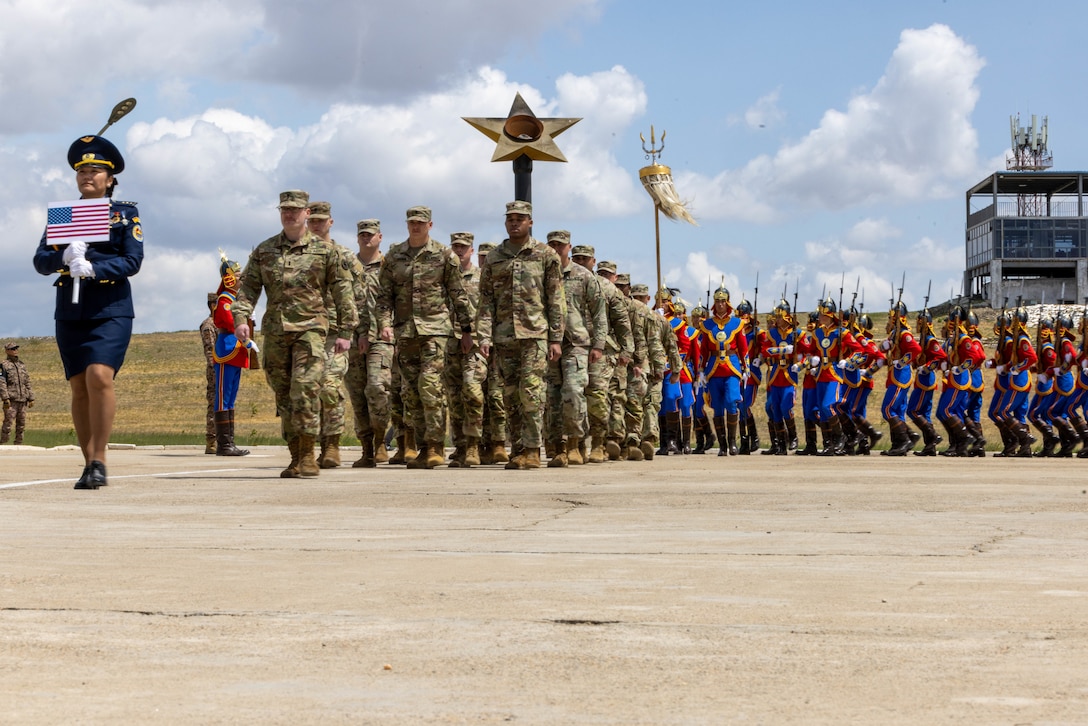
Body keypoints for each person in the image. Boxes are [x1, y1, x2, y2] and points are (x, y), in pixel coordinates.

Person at [33, 134, 144, 490]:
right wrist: (62, 256)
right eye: (82, 170)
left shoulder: (124, 213)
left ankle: (100, 459)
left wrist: (96, 268)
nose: (88, 176)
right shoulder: (64, 214)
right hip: (71, 310)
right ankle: (88, 463)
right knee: (79, 386)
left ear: (110, 178)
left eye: (96, 170)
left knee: (99, 375)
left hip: (110, 307)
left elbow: (132, 260)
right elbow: (40, 260)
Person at [231, 190, 358, 478]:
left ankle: (309, 455)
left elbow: (343, 291)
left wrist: (346, 330)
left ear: (306, 214)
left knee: (306, 389)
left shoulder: (326, 251)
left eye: (295, 210)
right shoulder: (265, 251)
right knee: (285, 397)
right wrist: (241, 317)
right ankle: (295, 456)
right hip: (276, 333)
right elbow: (248, 288)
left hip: (311, 331)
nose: (289, 214)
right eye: (284, 209)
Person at [376, 206, 474, 470]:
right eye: (412, 223)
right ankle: (422, 446)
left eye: (420, 223)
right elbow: (384, 297)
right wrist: (385, 325)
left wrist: (467, 330)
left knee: (429, 386)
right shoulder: (394, 256)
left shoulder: (444, 255)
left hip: (435, 331)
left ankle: (435, 446)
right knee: (411, 393)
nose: (415, 227)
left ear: (430, 225)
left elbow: (458, 293)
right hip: (405, 332)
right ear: (407, 225)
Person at [476, 200, 565, 470]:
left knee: (531, 392)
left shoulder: (545, 255)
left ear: (530, 222)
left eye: (520, 218)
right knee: (511, 396)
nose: (514, 222)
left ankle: (533, 449)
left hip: (535, 335)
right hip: (504, 338)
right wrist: (484, 336)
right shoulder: (494, 257)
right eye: (510, 218)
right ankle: (518, 449)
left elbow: (555, 299)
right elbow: (486, 300)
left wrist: (555, 338)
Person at [544, 230, 606, 467]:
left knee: (572, 392)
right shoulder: (542, 273)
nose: (556, 249)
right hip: (548, 343)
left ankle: (575, 443)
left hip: (576, 344)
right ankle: (556, 446)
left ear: (568, 247)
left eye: (560, 245)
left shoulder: (583, 276)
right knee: (551, 397)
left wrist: (598, 344)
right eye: (552, 245)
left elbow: (599, 312)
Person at [307, 201, 361, 468]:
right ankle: (312, 445)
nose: (316, 225)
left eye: (321, 220)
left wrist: (349, 330)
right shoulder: (299, 255)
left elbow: (358, 294)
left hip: (335, 335)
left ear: (331, 222)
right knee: (309, 391)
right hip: (306, 333)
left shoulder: (344, 256)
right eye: (312, 220)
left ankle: (332, 446)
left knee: (330, 388)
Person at [346, 218, 391, 468]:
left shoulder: (388, 266)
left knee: (377, 388)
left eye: (371, 234)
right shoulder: (348, 266)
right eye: (363, 234)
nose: (367, 238)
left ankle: (381, 439)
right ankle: (367, 449)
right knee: (357, 394)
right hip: (352, 338)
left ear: (380, 237)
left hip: (380, 339)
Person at [444, 231, 487, 468]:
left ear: (472, 250)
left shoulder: (482, 278)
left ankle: (473, 444)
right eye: (455, 247)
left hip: (475, 345)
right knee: (454, 396)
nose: (459, 251)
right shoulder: (443, 277)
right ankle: (460, 447)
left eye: (463, 247)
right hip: (449, 343)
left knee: (472, 390)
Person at [211, 253, 257, 456]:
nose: (240, 277)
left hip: (237, 349)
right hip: (227, 348)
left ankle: (230, 441)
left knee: (231, 397)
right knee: (223, 396)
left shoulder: (237, 298)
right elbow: (229, 323)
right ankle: (223, 443)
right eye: (238, 274)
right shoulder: (225, 299)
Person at [1, 343, 35, 445]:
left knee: (21, 424)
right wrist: (5, 398)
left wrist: (31, 397)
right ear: (7, 350)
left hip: (23, 399)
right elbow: (1, 382)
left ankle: (18, 444)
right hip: (11, 400)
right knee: (8, 423)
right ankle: (2, 443)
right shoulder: (3, 365)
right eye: (12, 349)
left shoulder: (21, 365)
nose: (15, 350)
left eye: (16, 348)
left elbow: (27, 382)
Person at [199, 292, 218, 454]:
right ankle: (212, 441)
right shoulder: (209, 325)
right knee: (214, 404)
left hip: (224, 368)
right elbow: (210, 351)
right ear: (213, 306)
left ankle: (224, 438)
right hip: (215, 370)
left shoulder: (221, 323)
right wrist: (216, 370)